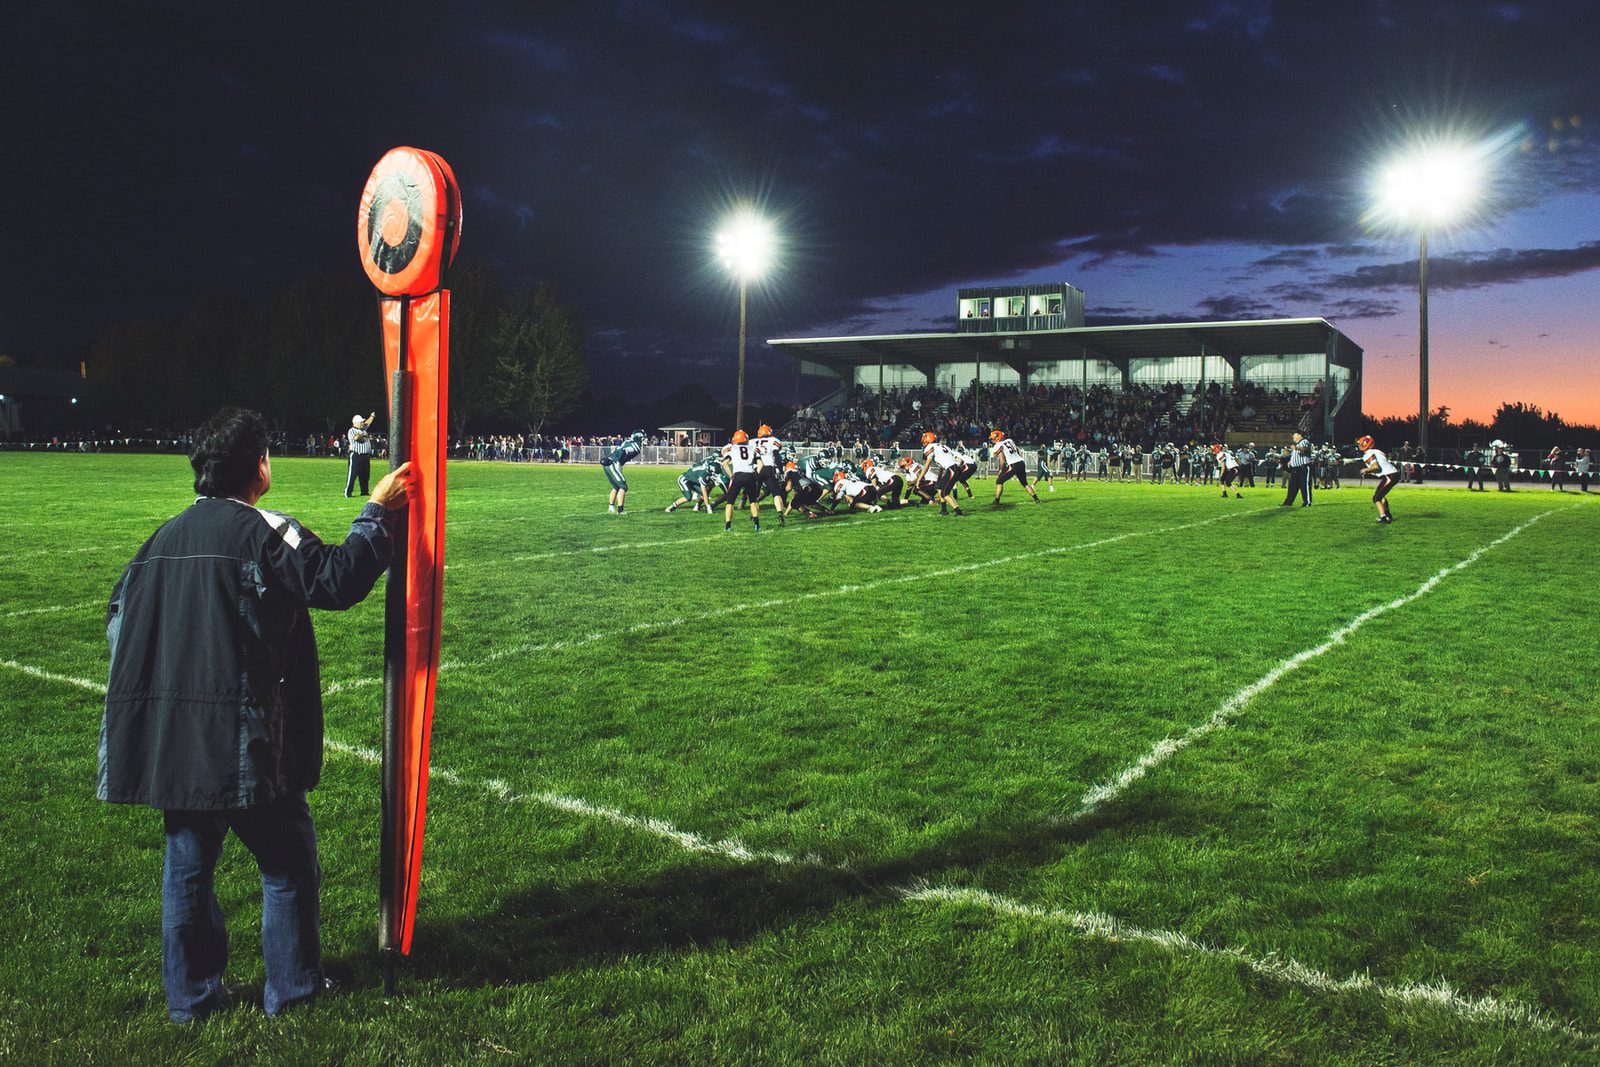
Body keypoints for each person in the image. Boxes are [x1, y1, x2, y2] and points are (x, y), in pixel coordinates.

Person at [98, 407, 412, 1024]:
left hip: (174, 739)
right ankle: (292, 990)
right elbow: (338, 580)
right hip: (239, 737)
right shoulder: (265, 532)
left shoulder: (160, 539)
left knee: (187, 865)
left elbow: (118, 621)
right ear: (259, 466)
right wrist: (376, 511)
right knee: (288, 857)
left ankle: (190, 1000)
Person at [720, 429, 763, 533]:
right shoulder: (753, 448)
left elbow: (724, 463)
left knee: (730, 502)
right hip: (750, 475)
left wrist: (731, 476)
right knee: (753, 501)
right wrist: (755, 475)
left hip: (738, 475)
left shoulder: (732, 448)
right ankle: (757, 525)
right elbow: (761, 464)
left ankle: (728, 526)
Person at [989, 429, 1041, 505]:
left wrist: (1001, 471)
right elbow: (1017, 451)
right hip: (1021, 462)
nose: (992, 440)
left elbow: (1002, 461)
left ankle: (996, 501)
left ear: (997, 438)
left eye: (993, 439)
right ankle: (1036, 499)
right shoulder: (1009, 440)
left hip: (1014, 464)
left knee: (999, 481)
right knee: (1024, 483)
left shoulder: (998, 445)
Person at [1357, 434, 1399, 523]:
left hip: (1389, 475)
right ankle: (1387, 515)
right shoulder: (1377, 451)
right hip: (1391, 474)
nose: (1359, 446)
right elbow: (1380, 468)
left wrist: (1365, 469)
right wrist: (1368, 471)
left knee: (1376, 498)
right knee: (1381, 496)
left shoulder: (1368, 454)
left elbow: (1376, 467)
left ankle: (1383, 517)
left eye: (1360, 444)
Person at [601, 430, 645, 514]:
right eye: (642, 438)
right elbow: (623, 450)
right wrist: (616, 460)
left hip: (610, 463)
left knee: (616, 487)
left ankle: (611, 508)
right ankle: (620, 511)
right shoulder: (635, 446)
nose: (643, 440)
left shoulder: (628, 441)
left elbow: (621, 449)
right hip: (614, 464)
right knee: (623, 487)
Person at [344, 412, 374, 498]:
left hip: (365, 456)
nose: (362, 423)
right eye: (360, 422)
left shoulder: (363, 429)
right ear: (355, 423)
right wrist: (364, 434)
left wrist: (372, 416)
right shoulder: (352, 430)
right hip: (356, 455)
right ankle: (348, 492)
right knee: (352, 474)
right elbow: (357, 438)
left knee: (365, 475)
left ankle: (364, 491)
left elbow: (368, 423)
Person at [1281, 432, 1313, 507]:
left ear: (1299, 435)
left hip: (1303, 467)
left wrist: (1296, 448)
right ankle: (1288, 502)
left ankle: (1307, 502)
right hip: (1295, 468)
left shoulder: (1304, 441)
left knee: (1304, 485)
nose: (1293, 437)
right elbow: (1296, 455)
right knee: (1292, 485)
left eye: (1294, 435)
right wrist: (1291, 462)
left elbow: (1305, 449)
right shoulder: (1298, 444)